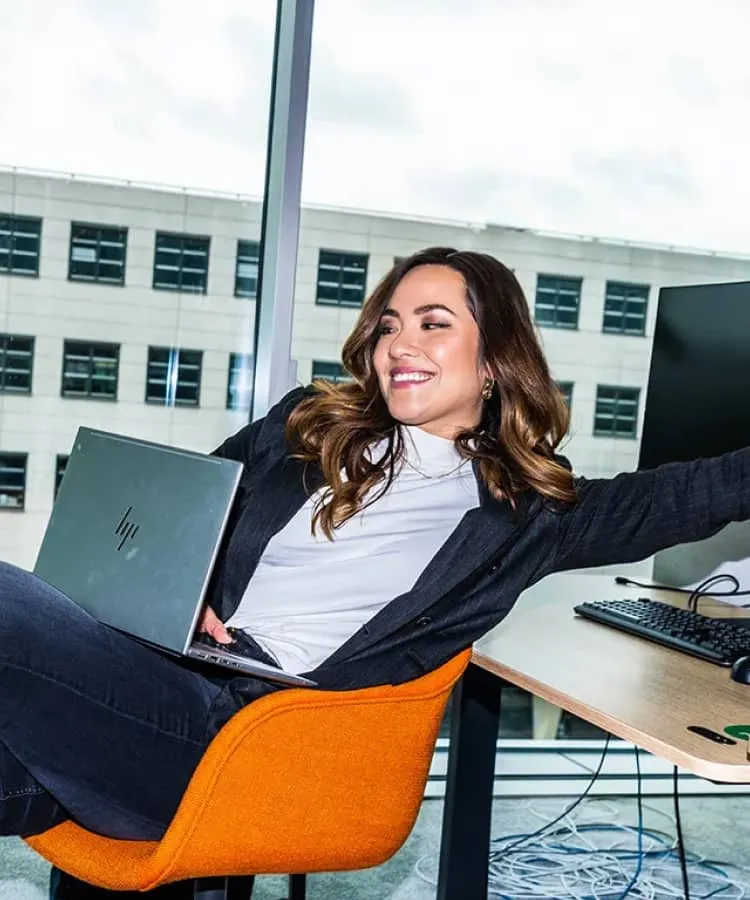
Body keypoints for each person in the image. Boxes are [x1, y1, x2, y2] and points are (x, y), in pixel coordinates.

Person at [2, 246, 750, 890]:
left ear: (494, 361)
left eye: (433, 324)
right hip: (151, 677)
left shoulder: (530, 512)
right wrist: (179, 589)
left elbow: (698, 491)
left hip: (243, 738)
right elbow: (173, 522)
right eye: (390, 324)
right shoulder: (303, 426)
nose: (399, 343)